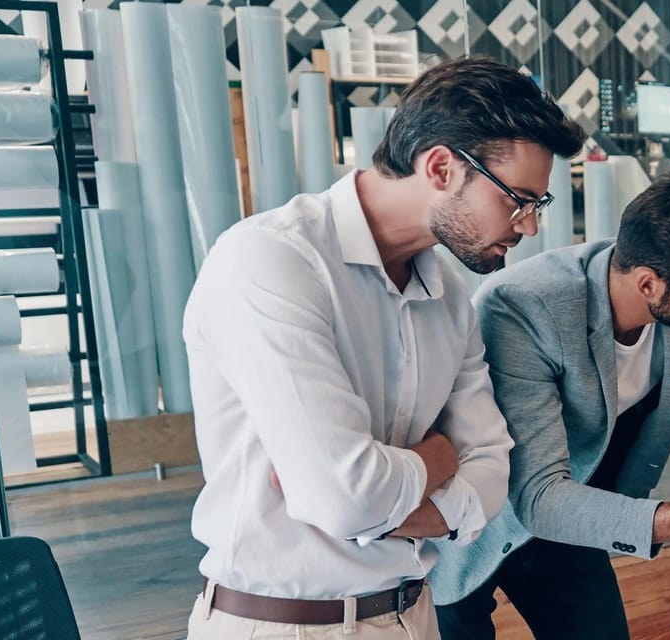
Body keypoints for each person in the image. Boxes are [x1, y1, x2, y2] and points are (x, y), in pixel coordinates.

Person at [183, 58, 582, 638]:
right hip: (286, 624)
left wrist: (399, 496)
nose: (529, 227)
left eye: (535, 206)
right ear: (442, 167)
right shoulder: (271, 261)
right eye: (518, 199)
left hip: (413, 615)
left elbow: (493, 468)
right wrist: (439, 458)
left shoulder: (448, 296)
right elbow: (348, 496)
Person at [429, 169, 670, 639]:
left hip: (580, 510)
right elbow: (537, 496)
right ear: (648, 284)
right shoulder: (523, 307)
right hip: (480, 522)